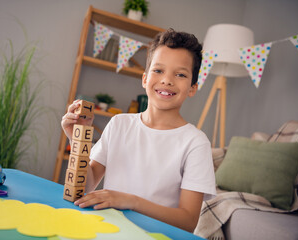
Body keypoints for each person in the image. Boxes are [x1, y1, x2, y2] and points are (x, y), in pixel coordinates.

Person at [61, 28, 216, 232]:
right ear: (144, 79)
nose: (167, 80)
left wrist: (131, 201)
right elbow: (86, 186)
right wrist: (76, 139)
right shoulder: (119, 124)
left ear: (192, 88)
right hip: (108, 229)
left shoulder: (196, 142)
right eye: (158, 70)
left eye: (180, 74)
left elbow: (188, 221)